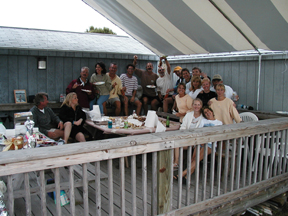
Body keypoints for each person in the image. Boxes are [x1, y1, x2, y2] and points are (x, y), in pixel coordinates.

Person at [175, 105, 223, 180]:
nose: (207, 113)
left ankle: (182, 174)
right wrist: (201, 141)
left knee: (197, 159)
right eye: (205, 112)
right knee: (193, 159)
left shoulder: (219, 123)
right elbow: (199, 131)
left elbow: (217, 136)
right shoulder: (203, 121)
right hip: (201, 142)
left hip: (210, 144)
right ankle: (187, 177)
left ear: (212, 112)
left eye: (208, 111)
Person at [173, 98, 204, 171]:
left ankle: (187, 168)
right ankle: (176, 163)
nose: (196, 106)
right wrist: (185, 135)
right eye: (195, 104)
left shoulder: (203, 117)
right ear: (192, 105)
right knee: (176, 143)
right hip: (187, 138)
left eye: (198, 105)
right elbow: (183, 126)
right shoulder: (188, 115)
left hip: (197, 140)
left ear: (201, 106)